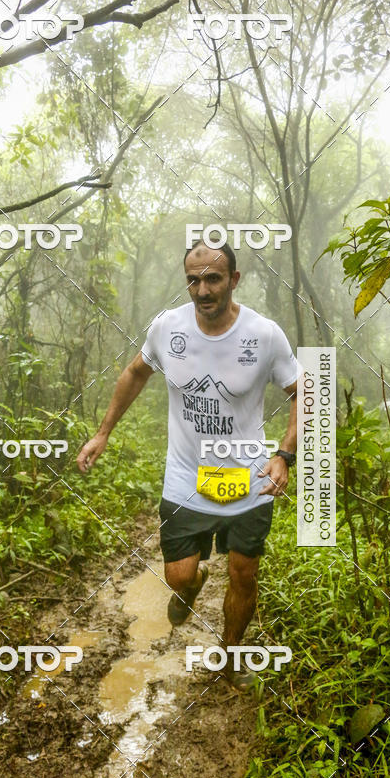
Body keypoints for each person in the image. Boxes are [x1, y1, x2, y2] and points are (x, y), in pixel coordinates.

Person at [76, 240, 301, 688]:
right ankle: (192, 585)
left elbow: (303, 392)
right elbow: (135, 372)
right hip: (186, 477)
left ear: (234, 279)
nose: (202, 290)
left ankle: (230, 656)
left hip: (250, 477)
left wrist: (284, 455)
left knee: (243, 574)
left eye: (213, 279)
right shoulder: (168, 328)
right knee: (178, 576)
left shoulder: (264, 334)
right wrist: (103, 432)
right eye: (193, 281)